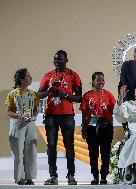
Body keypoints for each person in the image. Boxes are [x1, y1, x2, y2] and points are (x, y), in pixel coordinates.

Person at [38, 50, 82, 185]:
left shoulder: (73, 75)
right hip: (51, 115)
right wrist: (50, 90)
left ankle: (71, 175)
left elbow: (79, 97)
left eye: (60, 59)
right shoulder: (48, 75)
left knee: (69, 146)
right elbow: (39, 95)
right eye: (55, 59)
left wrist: (64, 95)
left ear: (66, 60)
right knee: (51, 146)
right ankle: (53, 175)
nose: (57, 61)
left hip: (67, 115)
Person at [80, 72, 116, 185]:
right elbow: (84, 113)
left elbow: (114, 110)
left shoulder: (109, 95)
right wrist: (84, 128)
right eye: (98, 80)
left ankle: (104, 176)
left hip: (106, 126)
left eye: (102, 80)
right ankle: (95, 176)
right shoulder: (87, 95)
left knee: (105, 153)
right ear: (93, 82)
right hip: (91, 126)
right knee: (93, 153)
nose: (100, 82)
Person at [5, 68, 39, 185]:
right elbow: (8, 112)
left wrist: (34, 116)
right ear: (21, 79)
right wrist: (19, 115)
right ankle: (20, 178)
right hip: (17, 124)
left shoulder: (33, 94)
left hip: (30, 124)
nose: (31, 78)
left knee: (31, 151)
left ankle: (29, 177)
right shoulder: (12, 94)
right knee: (19, 153)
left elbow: (35, 110)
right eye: (28, 76)